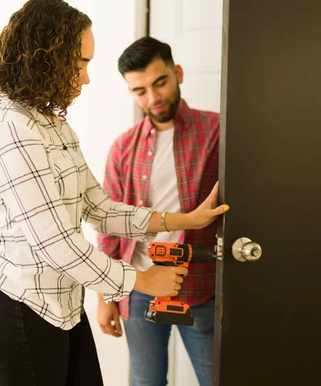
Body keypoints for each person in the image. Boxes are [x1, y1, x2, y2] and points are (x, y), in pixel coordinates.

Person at [0, 0, 228, 386]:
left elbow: (101, 208)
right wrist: (141, 281)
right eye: (81, 63)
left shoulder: (55, 126)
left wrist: (186, 219)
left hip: (63, 302)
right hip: (20, 305)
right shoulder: (10, 127)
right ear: (47, 58)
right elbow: (55, 242)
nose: (86, 77)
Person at [96, 36, 221, 386]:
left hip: (200, 288)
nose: (152, 98)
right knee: (145, 381)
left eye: (160, 82)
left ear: (177, 72)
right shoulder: (123, 147)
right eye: (139, 91)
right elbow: (108, 227)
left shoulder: (218, 131)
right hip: (139, 288)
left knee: (216, 378)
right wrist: (108, 298)